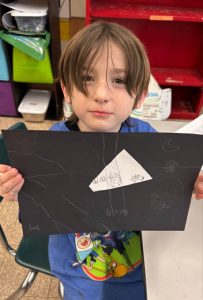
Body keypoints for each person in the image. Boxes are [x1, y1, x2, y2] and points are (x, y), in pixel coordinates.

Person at [0, 21, 203, 300]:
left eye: (118, 80)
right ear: (68, 91)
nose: (101, 95)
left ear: (140, 95)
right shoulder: (52, 144)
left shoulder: (147, 137)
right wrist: (16, 191)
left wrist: (189, 182)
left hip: (140, 268)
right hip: (76, 273)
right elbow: (36, 213)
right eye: (86, 79)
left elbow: (165, 192)